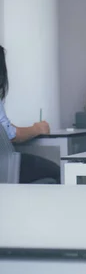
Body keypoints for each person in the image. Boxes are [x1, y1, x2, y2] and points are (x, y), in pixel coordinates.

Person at [0, 45, 60, 184]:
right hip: (3, 165)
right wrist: (37, 129)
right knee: (57, 171)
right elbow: (10, 134)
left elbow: (4, 128)